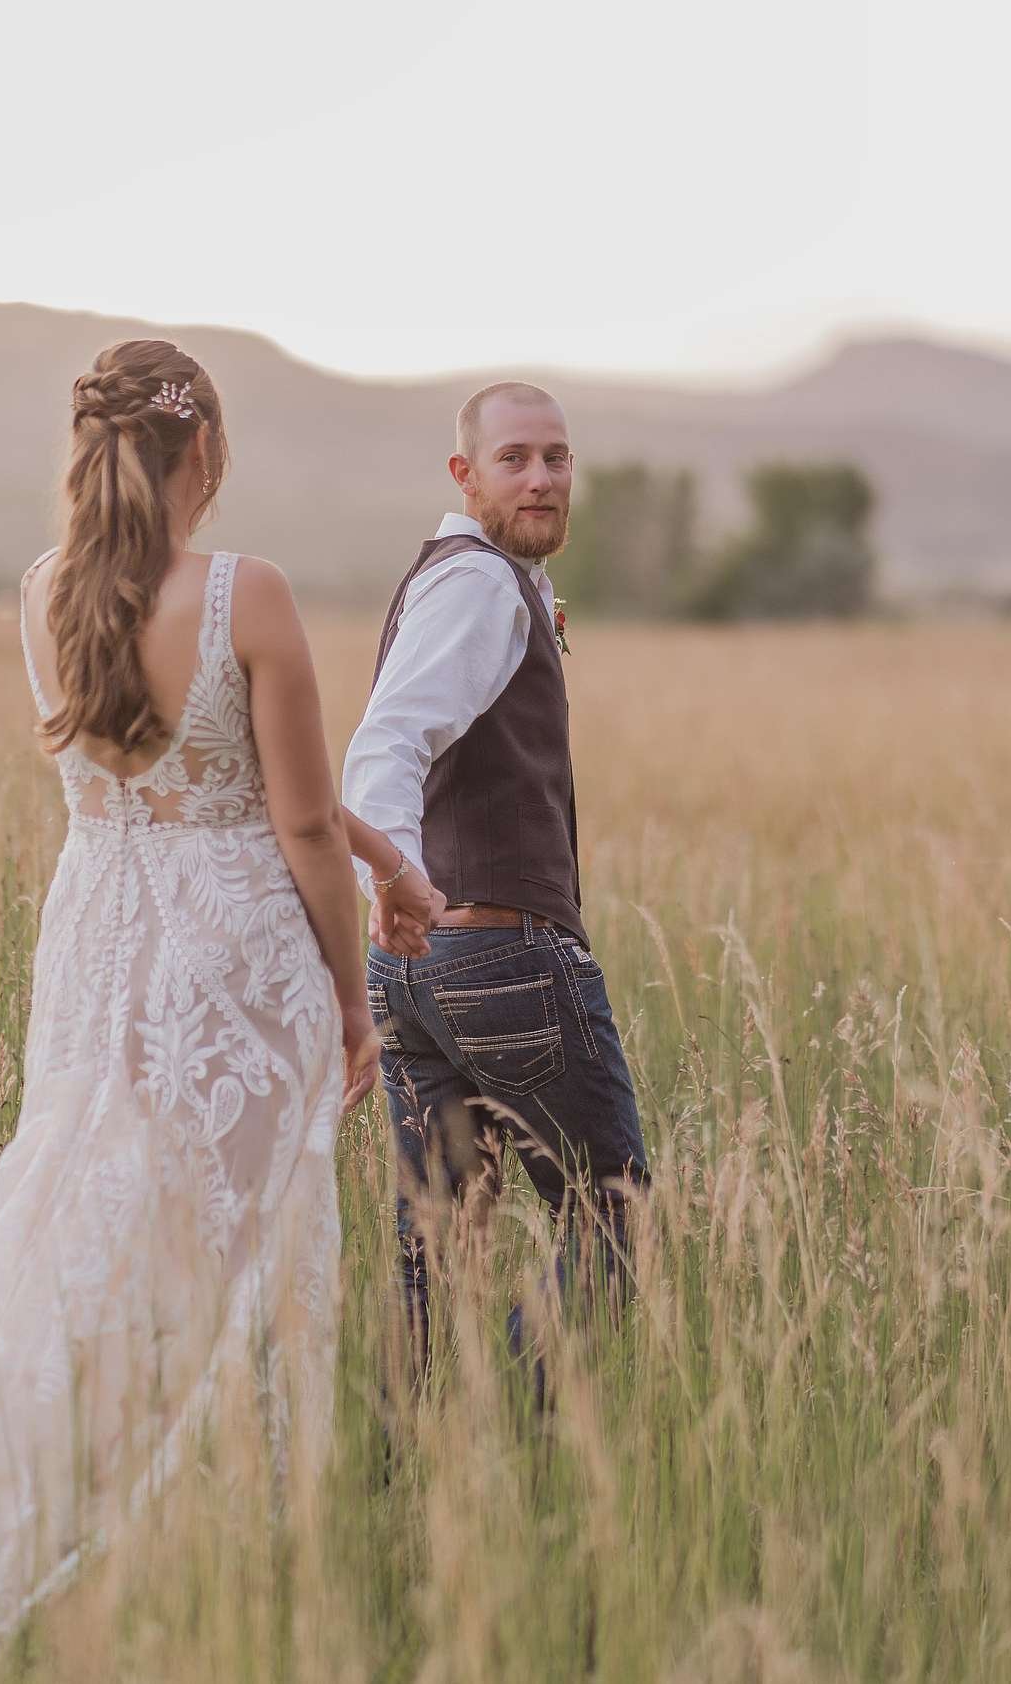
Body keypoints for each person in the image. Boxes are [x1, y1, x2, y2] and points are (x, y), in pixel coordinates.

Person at [0, 338, 417, 1635]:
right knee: (232, 1252)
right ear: (207, 451)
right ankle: (197, 1540)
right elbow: (286, 826)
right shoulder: (254, 592)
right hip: (236, 967)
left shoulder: (41, 594)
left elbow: (225, 785)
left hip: (100, 950)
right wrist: (353, 1001)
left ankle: (4, 1491)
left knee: (73, 1229)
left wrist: (385, 851)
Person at [345, 381, 652, 1385]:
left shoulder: (475, 578)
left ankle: (409, 1481)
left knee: (439, 1239)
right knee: (615, 1211)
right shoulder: (476, 582)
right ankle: (511, 1433)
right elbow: (387, 742)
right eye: (514, 458)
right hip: (496, 953)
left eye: (556, 459)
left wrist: (394, 911)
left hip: (421, 974)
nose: (541, 478)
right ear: (463, 473)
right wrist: (390, 882)